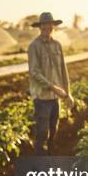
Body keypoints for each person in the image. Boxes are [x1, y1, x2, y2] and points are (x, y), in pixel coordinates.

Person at [27, 12, 74, 155]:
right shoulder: (34, 46)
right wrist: (53, 87)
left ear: (53, 26)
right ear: (40, 27)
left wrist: (68, 93)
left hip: (55, 98)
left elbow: (63, 70)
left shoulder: (57, 45)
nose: (47, 27)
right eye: (44, 24)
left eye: (50, 24)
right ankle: (39, 164)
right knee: (42, 133)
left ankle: (49, 158)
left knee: (53, 130)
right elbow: (34, 72)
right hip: (42, 97)